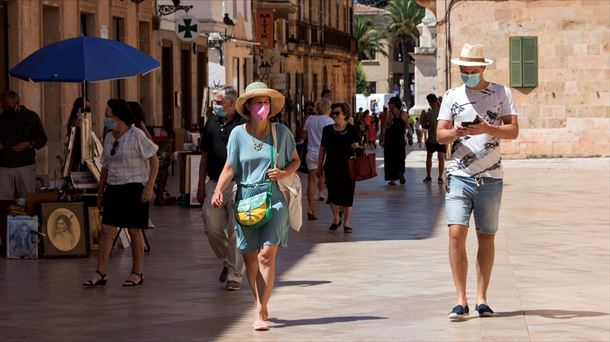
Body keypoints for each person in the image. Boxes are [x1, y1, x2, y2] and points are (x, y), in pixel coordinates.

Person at [437, 43, 519, 320]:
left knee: (486, 236)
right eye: (463, 70)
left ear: (483, 68)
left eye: (472, 70)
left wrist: (488, 128)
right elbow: (440, 135)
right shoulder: (451, 95)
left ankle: (482, 299)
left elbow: (513, 130)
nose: (467, 74)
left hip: (491, 177)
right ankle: (460, 300)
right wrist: (457, 132)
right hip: (459, 175)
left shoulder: (501, 92)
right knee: (456, 234)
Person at [211, 82, 299, 331]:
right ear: (248, 106)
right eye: (258, 102)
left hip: (274, 200)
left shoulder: (281, 132)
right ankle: (259, 301)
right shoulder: (238, 134)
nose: (263, 107)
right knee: (250, 260)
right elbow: (229, 167)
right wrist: (218, 190)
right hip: (247, 200)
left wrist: (282, 173)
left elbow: (295, 161)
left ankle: (260, 311)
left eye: (266, 102)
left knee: (266, 256)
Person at [83, 99, 159, 288]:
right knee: (106, 230)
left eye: (108, 115)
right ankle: (101, 272)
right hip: (114, 188)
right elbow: (105, 166)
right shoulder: (109, 137)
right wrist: (100, 192)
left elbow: (154, 160)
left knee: (134, 231)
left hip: (134, 188)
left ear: (119, 117)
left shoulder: (136, 135)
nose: (105, 119)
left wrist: (150, 186)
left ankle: (137, 272)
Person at [196, 85, 246, 291]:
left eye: (218, 103)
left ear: (232, 103)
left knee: (237, 230)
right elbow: (205, 156)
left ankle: (235, 275)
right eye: (214, 102)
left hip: (239, 184)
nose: (214, 106)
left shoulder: (244, 125)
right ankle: (227, 261)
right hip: (215, 183)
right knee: (212, 228)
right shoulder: (210, 124)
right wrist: (199, 185)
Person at [317, 102, 361, 233]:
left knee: (348, 195)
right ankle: (336, 218)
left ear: (344, 114)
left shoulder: (352, 130)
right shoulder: (327, 130)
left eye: (337, 113)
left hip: (349, 167)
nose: (334, 116)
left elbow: (360, 149)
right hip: (331, 167)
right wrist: (319, 167)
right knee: (333, 194)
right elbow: (323, 149)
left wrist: (356, 147)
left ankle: (347, 223)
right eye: (333, 113)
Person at [0, 91, 48, 201]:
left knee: (27, 199)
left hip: (25, 165)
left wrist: (28, 144)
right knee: (4, 200)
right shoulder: (1, 118)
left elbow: (42, 139)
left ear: (17, 102)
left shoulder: (31, 117)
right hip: (4, 166)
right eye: (4, 105)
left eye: (8, 105)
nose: (6, 108)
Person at [303, 98, 334, 221]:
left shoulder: (310, 119)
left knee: (311, 182)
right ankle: (337, 210)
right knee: (331, 181)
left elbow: (303, 136)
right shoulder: (329, 121)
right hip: (325, 154)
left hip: (311, 153)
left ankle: (311, 209)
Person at [380, 96, 407, 185]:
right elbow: (406, 126)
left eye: (390, 102)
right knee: (401, 156)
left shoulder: (389, 113)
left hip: (391, 138)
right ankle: (401, 172)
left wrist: (382, 137)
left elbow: (385, 127)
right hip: (400, 138)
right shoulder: (404, 113)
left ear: (394, 103)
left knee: (390, 157)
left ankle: (392, 179)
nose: (388, 104)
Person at [421, 94, 446, 184]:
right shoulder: (443, 112)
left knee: (429, 157)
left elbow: (424, 126)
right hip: (441, 139)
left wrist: (422, 118)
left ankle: (428, 176)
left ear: (429, 102)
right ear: (436, 100)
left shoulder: (428, 114)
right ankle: (440, 177)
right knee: (441, 158)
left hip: (431, 139)